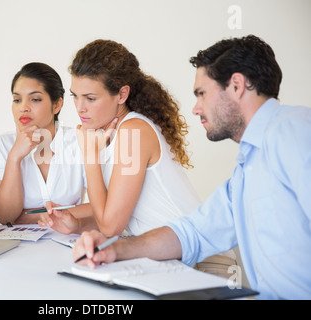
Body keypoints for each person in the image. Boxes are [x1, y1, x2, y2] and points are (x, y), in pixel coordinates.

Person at [73, 35, 311, 299]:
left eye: (202, 94)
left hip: (194, 269)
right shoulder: (246, 169)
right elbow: (193, 233)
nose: (196, 108)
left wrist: (89, 157)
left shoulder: (294, 132)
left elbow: (112, 224)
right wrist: (113, 250)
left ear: (236, 86)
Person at [39, 40, 202, 238]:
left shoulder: (133, 132)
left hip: (202, 261)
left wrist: (91, 156)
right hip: (169, 255)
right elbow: (112, 206)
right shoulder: (112, 133)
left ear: (122, 94)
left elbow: (110, 226)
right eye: (75, 95)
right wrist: (76, 222)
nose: (79, 107)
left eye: (90, 98)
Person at [0, 62, 89, 225]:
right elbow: (6, 217)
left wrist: (27, 216)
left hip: (69, 241)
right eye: (17, 100)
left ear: (57, 105)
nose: (23, 108)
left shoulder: (79, 141)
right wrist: (14, 158)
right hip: (19, 248)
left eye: (35, 99)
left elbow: (101, 207)